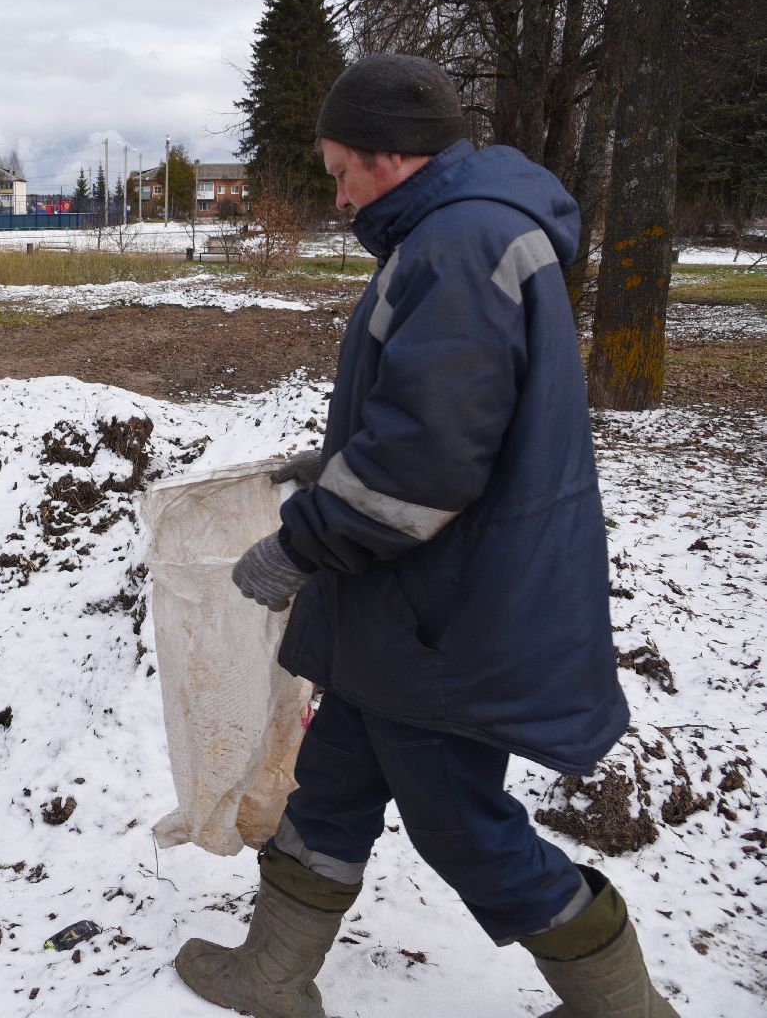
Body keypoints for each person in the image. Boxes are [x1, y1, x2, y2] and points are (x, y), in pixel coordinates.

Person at [176, 55, 679, 1017]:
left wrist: (303, 540)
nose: (335, 194)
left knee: (463, 829)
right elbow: (446, 423)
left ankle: (626, 1007)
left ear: (390, 156)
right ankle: (273, 976)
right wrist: (332, 468)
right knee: (328, 788)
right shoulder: (467, 233)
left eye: (338, 171)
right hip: (409, 612)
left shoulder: (458, 247)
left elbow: (427, 467)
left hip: (442, 623)